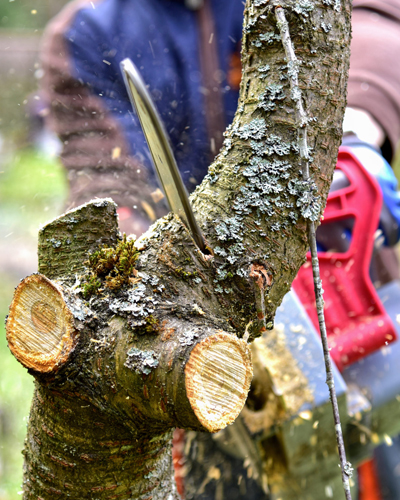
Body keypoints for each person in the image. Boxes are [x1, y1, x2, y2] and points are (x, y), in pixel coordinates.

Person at [40, 0, 244, 235]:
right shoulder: (87, 27)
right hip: (158, 232)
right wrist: (132, 246)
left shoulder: (273, 10)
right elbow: (103, 176)